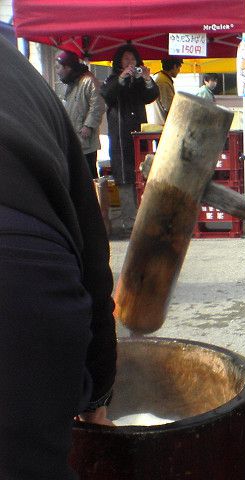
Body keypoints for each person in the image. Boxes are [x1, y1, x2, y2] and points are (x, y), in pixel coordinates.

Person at [0, 35, 117, 478]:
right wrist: (98, 390)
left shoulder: (82, 87)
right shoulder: (26, 78)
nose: (63, 68)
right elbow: (91, 250)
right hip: (23, 269)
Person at [100, 44, 159, 232]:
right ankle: (129, 220)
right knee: (125, 176)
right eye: (126, 59)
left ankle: (144, 217)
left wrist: (148, 79)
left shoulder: (140, 80)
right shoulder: (112, 79)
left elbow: (151, 96)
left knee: (143, 174)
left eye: (133, 59)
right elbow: (107, 95)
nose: (130, 63)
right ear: (119, 62)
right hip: (120, 134)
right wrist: (122, 77)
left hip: (139, 134)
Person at [54, 50, 105, 178]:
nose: (57, 71)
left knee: (88, 176)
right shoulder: (72, 82)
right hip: (75, 139)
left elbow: (98, 105)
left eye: (58, 67)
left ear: (68, 67)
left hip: (85, 140)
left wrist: (88, 126)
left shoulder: (88, 81)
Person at [147, 56, 183, 125]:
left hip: (158, 123)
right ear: (175, 66)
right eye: (179, 67)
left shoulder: (160, 77)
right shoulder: (163, 81)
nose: (179, 71)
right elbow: (168, 106)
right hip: (162, 124)